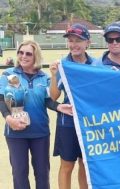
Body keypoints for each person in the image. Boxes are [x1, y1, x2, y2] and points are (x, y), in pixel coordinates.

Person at [0, 40, 72, 189]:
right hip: (15, 133)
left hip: (40, 133)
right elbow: (1, 100)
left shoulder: (44, 77)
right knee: (19, 173)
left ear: (35, 57)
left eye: (28, 54)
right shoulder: (9, 74)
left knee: (42, 173)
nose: (23, 56)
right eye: (20, 52)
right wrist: (8, 119)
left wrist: (59, 107)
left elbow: (47, 100)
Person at [49, 23, 96, 189]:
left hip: (90, 123)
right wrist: (54, 76)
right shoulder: (62, 65)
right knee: (67, 165)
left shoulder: (96, 65)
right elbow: (54, 96)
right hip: (67, 122)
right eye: (70, 40)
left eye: (78, 40)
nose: (74, 44)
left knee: (85, 164)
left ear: (87, 43)